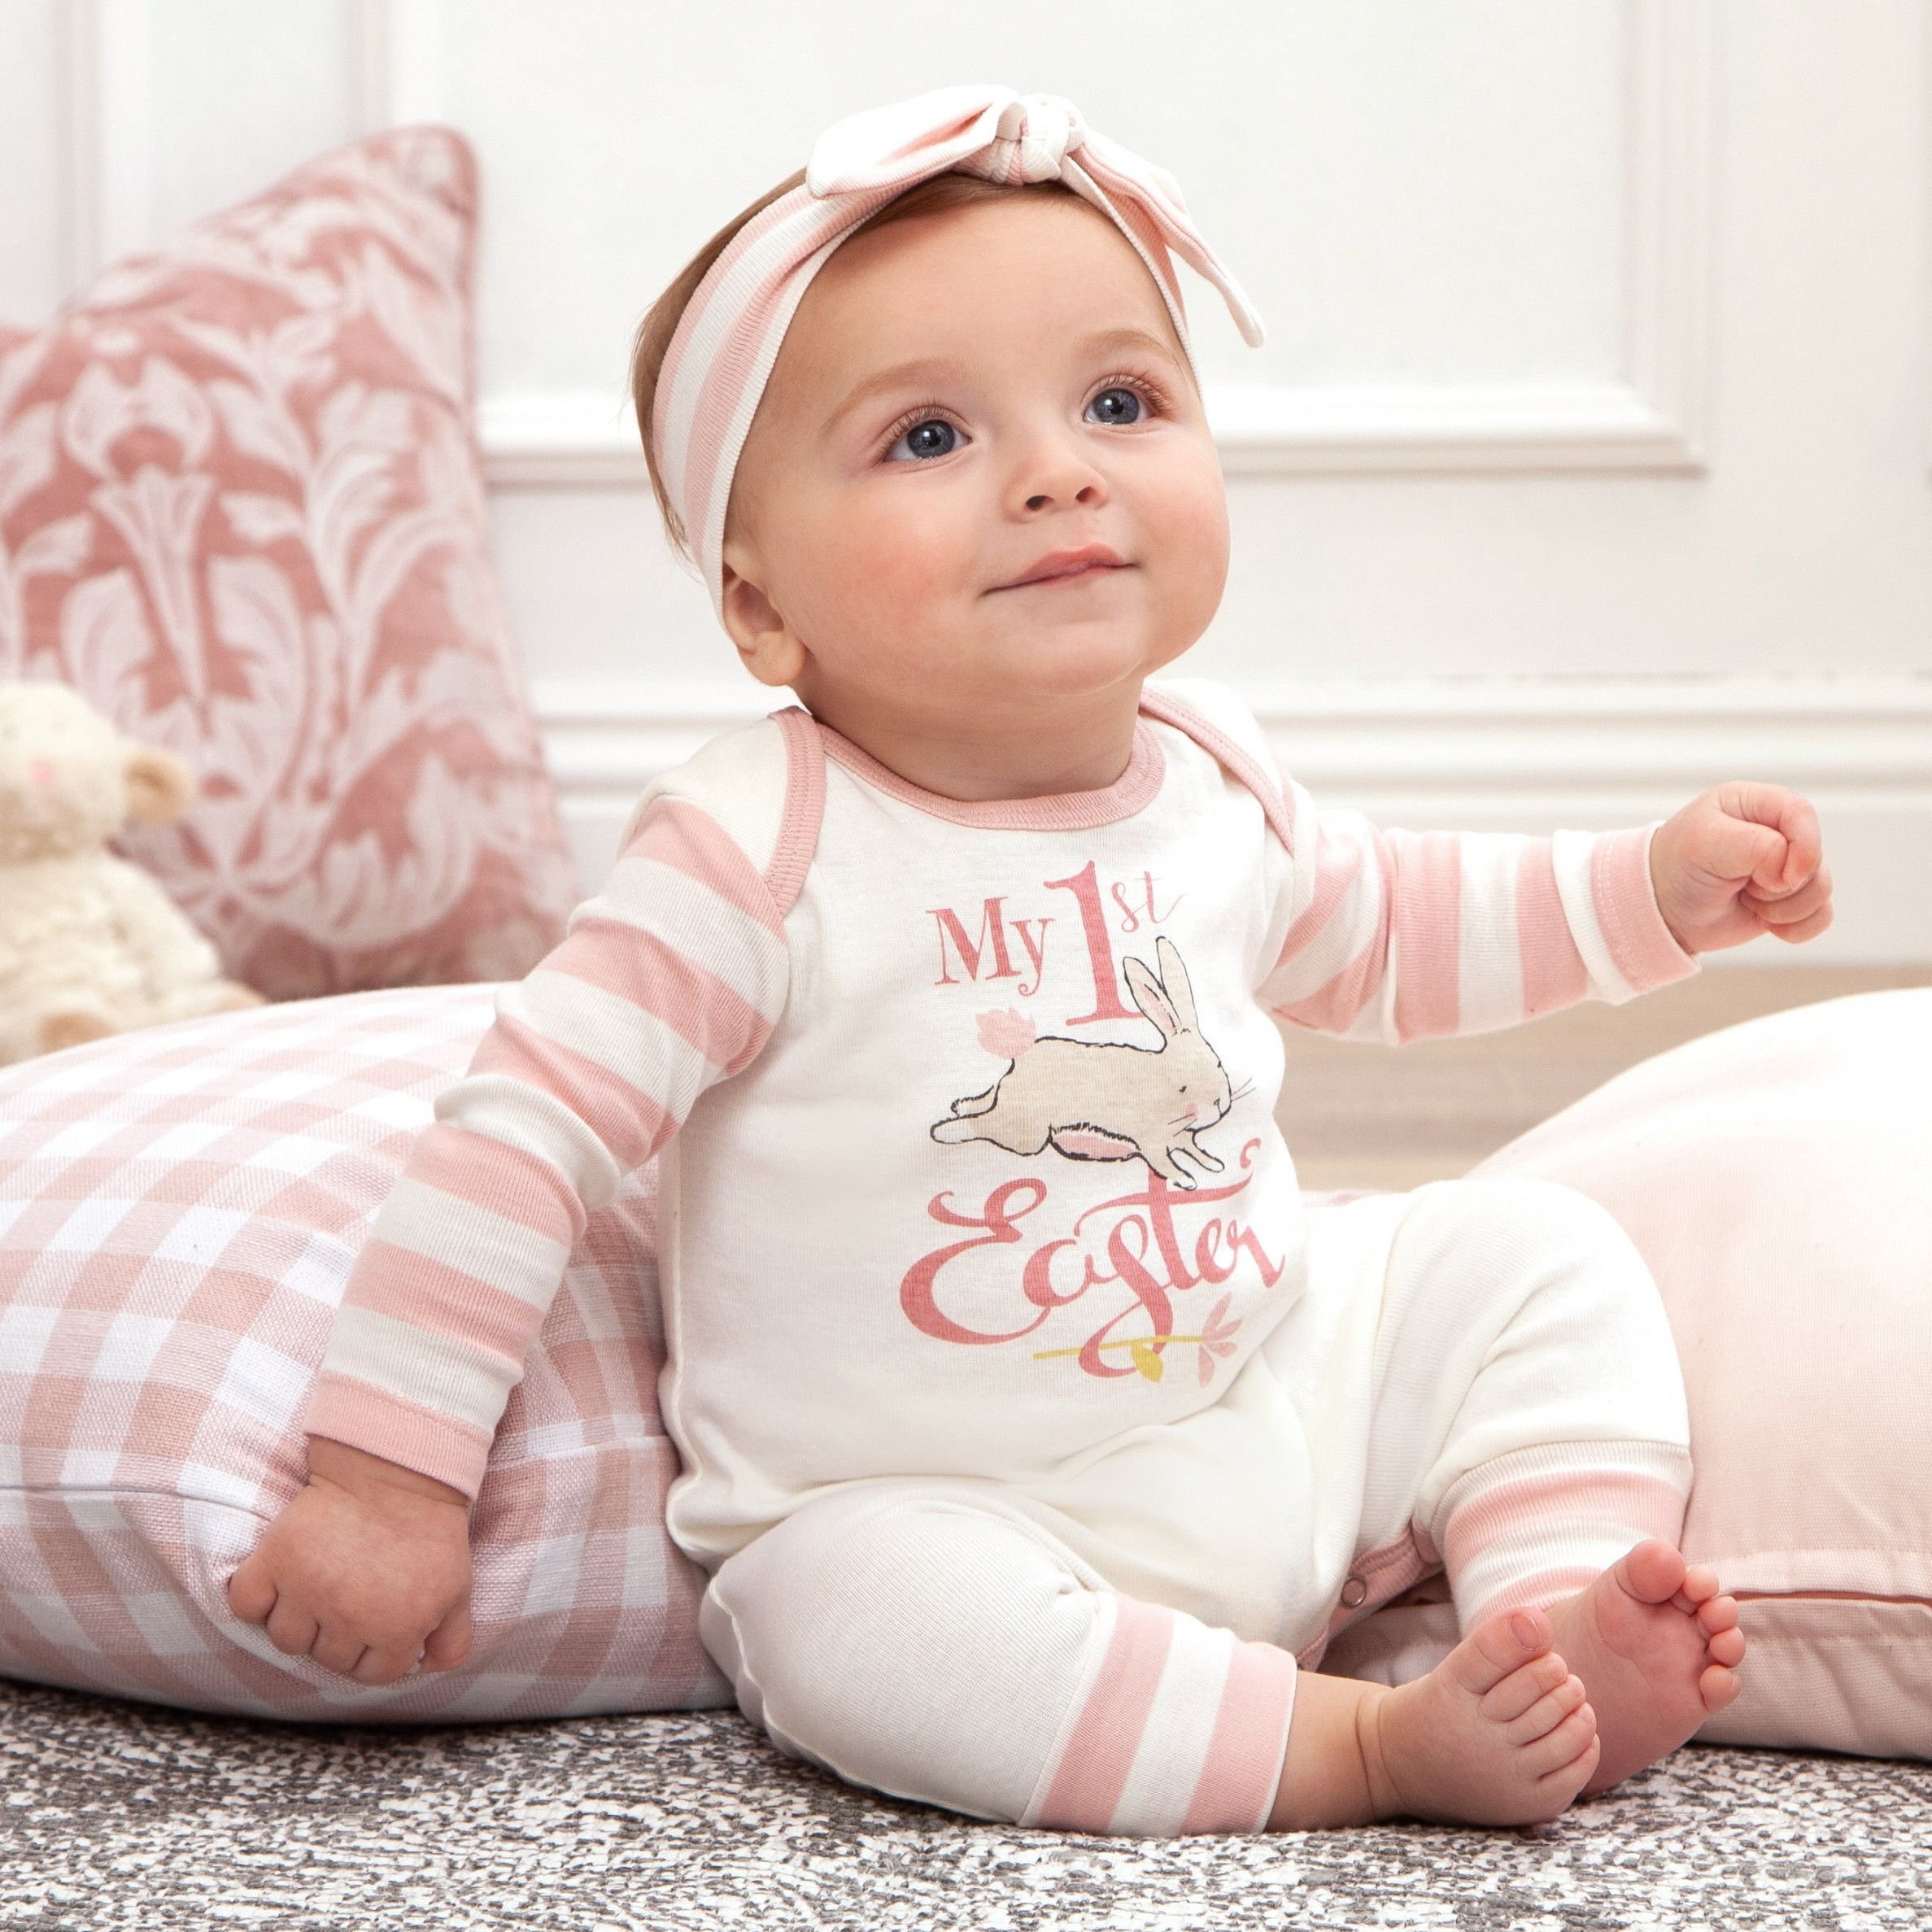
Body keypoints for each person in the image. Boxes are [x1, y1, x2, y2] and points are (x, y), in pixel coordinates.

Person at [230, 88, 1831, 1834]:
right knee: (850, 1628)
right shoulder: (756, 842)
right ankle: (1359, 1746)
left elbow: (1403, 931)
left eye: (1122, 400)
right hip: (952, 1512)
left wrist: (1654, 895)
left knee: (1531, 1251)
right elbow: (519, 1133)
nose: (1060, 469)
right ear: (763, 607)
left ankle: (1543, 1619)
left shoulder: (1209, 772)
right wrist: (385, 1480)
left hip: (1267, 1392)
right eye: (927, 438)